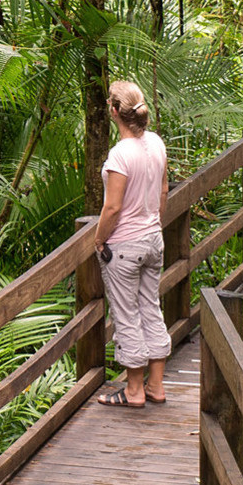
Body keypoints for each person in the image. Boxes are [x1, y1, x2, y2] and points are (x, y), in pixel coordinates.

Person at [87, 80, 171, 407]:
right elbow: (163, 190)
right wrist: (155, 222)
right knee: (150, 307)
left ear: (114, 112)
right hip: (153, 238)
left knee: (126, 314)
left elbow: (112, 207)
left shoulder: (120, 154)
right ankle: (156, 386)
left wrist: (98, 238)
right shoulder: (155, 143)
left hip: (124, 245)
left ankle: (134, 390)